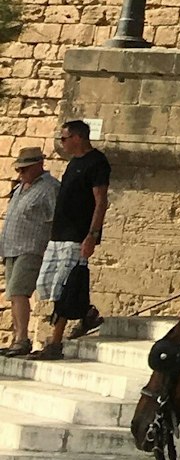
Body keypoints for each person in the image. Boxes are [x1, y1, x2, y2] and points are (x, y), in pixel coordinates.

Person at [31, 120, 109, 360]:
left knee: (64, 285)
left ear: (77, 137)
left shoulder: (97, 162)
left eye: (64, 138)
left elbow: (100, 201)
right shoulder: (73, 163)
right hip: (59, 234)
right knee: (48, 284)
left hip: (77, 235)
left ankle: (55, 342)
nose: (61, 143)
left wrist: (92, 235)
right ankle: (87, 313)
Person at [1, 147, 56, 357]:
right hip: (11, 247)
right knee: (13, 295)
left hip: (31, 247)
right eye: (19, 169)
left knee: (19, 292)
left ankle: (22, 338)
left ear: (38, 166)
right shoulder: (21, 187)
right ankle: (17, 337)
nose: (20, 174)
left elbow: (55, 219)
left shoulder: (49, 188)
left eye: (24, 170)